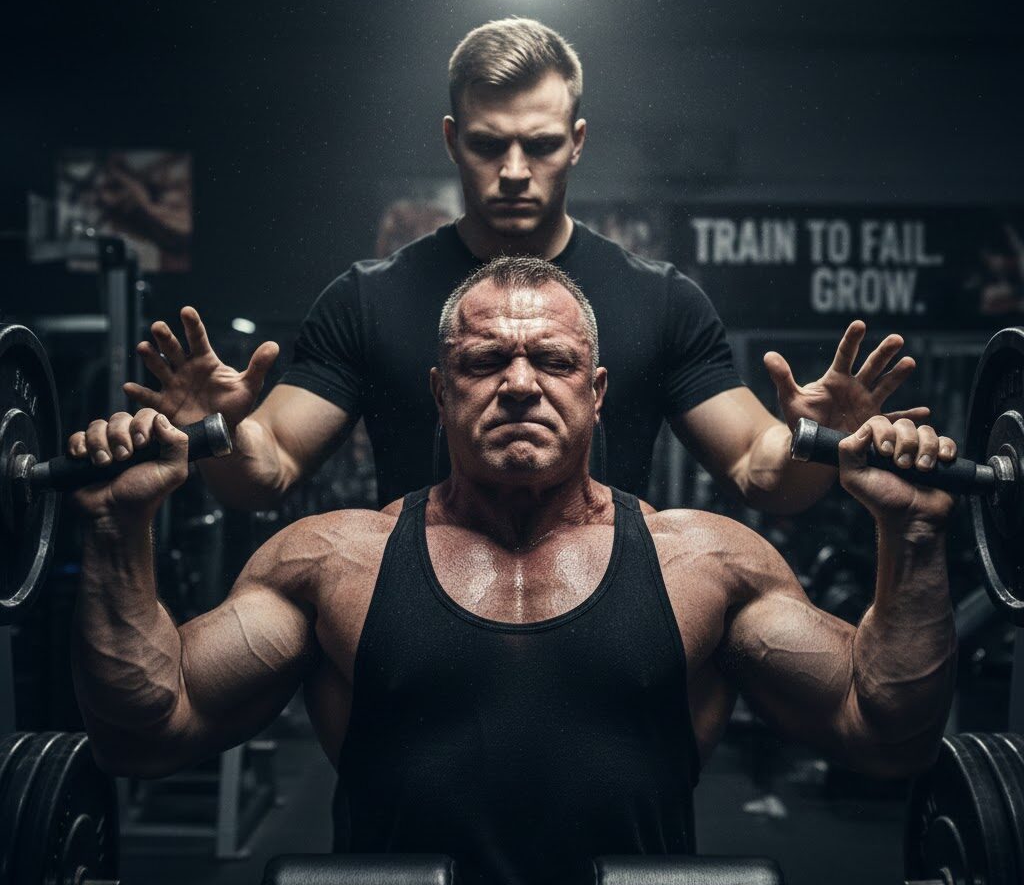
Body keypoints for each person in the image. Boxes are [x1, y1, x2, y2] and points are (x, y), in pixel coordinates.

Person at [72, 258, 958, 885]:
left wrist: (913, 534)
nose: (522, 384)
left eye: (556, 360)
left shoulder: (708, 563)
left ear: (599, 389)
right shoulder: (332, 561)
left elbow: (885, 735)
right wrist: (119, 526)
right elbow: (147, 731)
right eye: (486, 360)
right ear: (439, 388)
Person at [88, 18, 928, 512]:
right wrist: (218, 435)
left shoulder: (660, 302)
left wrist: (827, 441)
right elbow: (266, 471)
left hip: (604, 642)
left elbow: (758, 469)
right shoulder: (366, 300)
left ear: (578, 142)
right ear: (454, 140)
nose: (516, 169)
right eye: (489, 145)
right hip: (419, 639)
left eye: (541, 143)